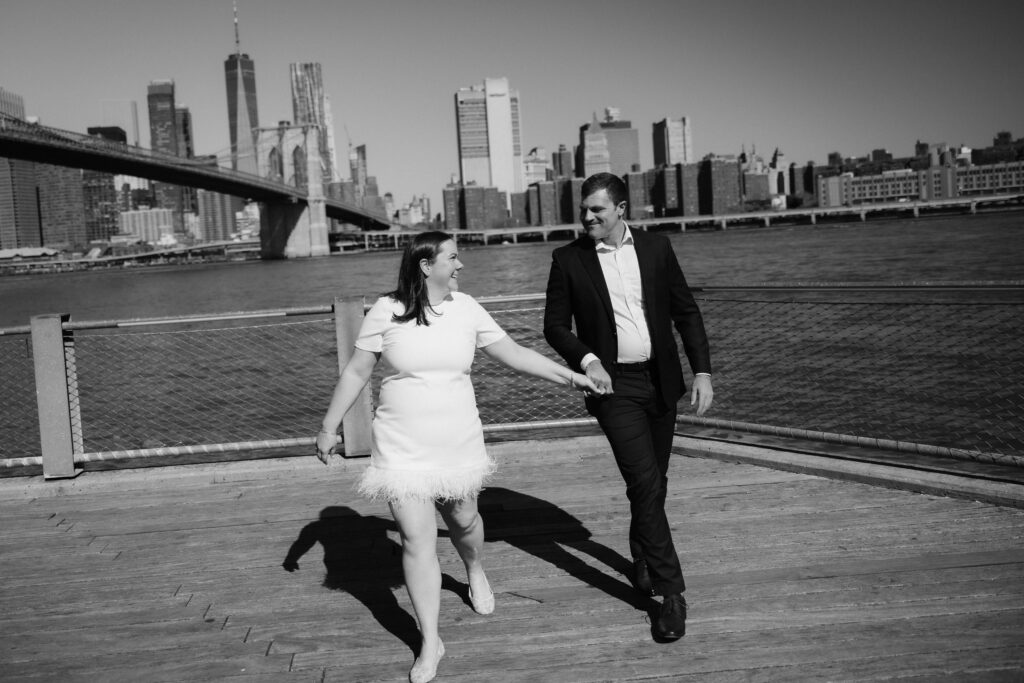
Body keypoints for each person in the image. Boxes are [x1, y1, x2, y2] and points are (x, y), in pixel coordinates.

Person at [315, 231, 601, 683]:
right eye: (453, 257)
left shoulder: (466, 307)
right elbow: (356, 370)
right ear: (427, 266)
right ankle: (431, 639)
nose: (461, 265)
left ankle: (474, 568)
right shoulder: (385, 311)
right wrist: (329, 427)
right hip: (401, 444)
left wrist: (572, 378)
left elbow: (513, 353)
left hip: (456, 440)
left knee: (465, 521)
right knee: (416, 541)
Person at [543, 172, 713, 642]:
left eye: (597, 209)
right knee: (643, 480)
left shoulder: (657, 249)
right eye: (584, 209)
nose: (587, 217)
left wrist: (702, 371)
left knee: (654, 483)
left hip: (661, 382)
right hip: (612, 389)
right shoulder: (568, 259)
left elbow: (685, 311)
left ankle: (641, 552)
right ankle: (672, 594)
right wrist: (589, 360)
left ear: (621, 209)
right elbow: (554, 326)